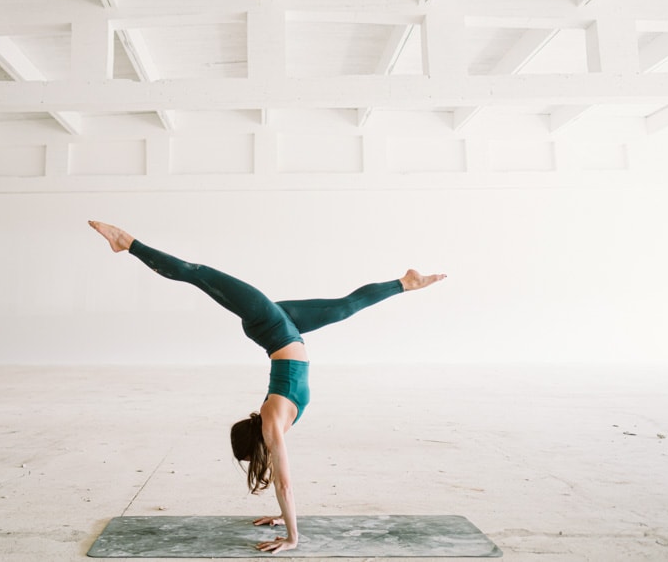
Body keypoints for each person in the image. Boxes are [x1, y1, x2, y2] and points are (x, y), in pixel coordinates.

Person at [88, 220, 446, 553]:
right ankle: (406, 282)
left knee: (199, 274)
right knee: (343, 308)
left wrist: (292, 536)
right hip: (283, 329)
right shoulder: (274, 424)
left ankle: (127, 243)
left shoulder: (273, 421)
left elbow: (284, 483)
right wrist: (283, 523)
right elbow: (283, 484)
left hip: (272, 329)